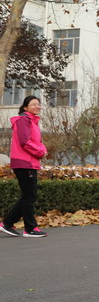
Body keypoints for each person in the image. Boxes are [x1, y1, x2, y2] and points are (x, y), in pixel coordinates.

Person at [1, 96, 48, 238]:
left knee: (29, 195)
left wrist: (43, 150)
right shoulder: (24, 120)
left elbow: (36, 141)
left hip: (29, 162)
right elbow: (24, 142)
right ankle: (30, 228)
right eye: (33, 104)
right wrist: (40, 152)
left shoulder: (32, 122)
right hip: (24, 162)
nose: (37, 106)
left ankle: (8, 223)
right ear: (25, 107)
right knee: (29, 196)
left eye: (38, 104)